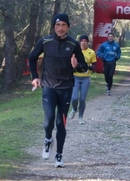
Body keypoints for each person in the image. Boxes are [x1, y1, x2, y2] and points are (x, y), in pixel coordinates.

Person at [29, 13, 88, 168]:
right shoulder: (45, 41)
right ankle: (48, 139)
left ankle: (59, 155)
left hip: (66, 88)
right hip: (48, 86)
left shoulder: (73, 43)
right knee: (49, 121)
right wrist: (35, 77)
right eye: (57, 25)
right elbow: (32, 58)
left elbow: (84, 66)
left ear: (68, 27)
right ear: (53, 27)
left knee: (60, 123)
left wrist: (77, 66)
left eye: (63, 25)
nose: (60, 28)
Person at [68, 35, 97, 125]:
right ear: (79, 42)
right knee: (74, 98)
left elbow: (95, 65)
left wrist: (88, 67)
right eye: (82, 41)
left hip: (85, 78)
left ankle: (80, 117)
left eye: (85, 41)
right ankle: (74, 109)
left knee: (82, 99)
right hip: (75, 77)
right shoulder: (75, 51)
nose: (83, 42)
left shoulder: (91, 52)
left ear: (88, 42)